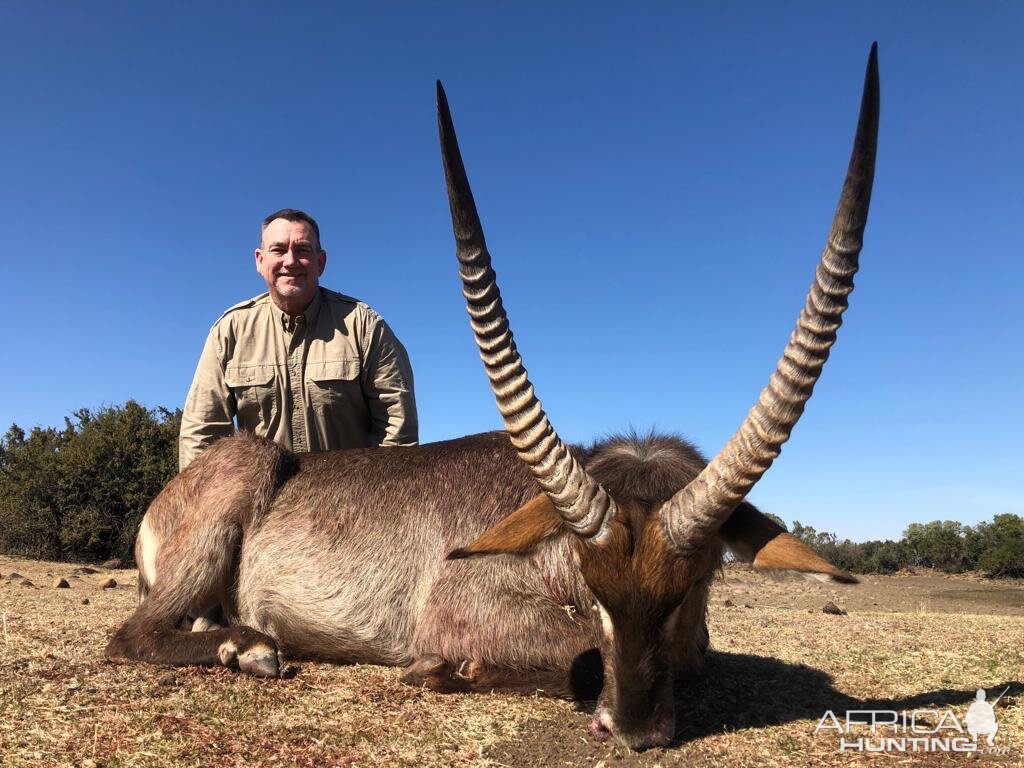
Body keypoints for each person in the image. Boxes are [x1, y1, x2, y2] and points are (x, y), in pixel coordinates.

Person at [179, 208, 418, 469]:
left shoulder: (364, 325)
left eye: (302, 250)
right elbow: (202, 434)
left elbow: (397, 431)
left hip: (349, 501)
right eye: (278, 250)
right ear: (260, 261)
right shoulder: (229, 331)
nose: (290, 261)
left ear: (321, 262)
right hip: (264, 504)